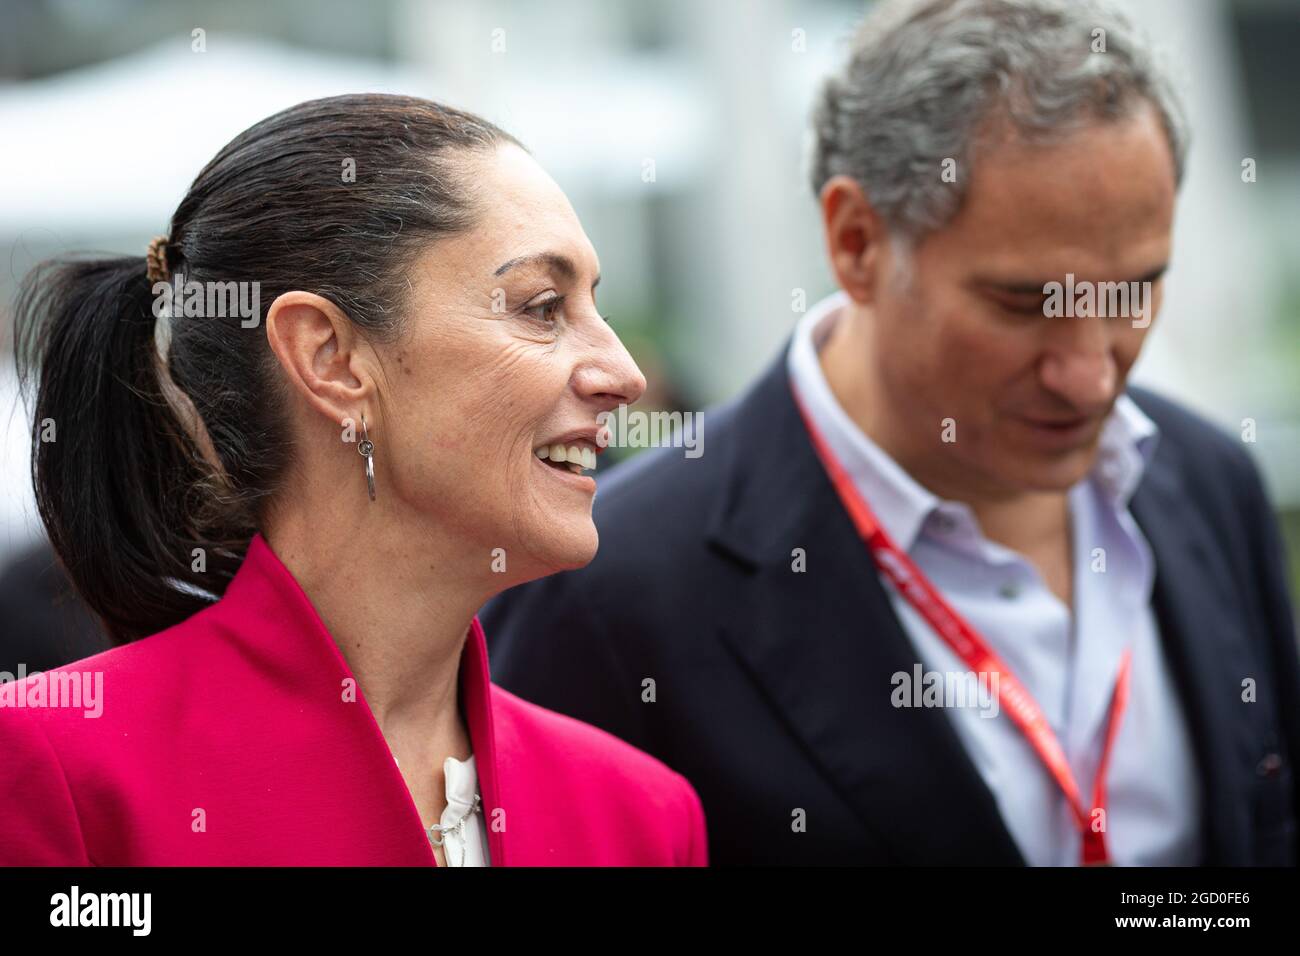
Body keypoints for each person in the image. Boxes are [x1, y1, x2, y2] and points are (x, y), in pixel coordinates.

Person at [484, 0, 1300, 865]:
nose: (1093, 371)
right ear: (857, 240)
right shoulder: (605, 591)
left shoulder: (1209, 481)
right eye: (1026, 304)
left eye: (1134, 291)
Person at [0, 94, 706, 867]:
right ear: (330, 359)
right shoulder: (61, 770)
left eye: (592, 305)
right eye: (542, 307)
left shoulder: (639, 814)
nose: (625, 374)